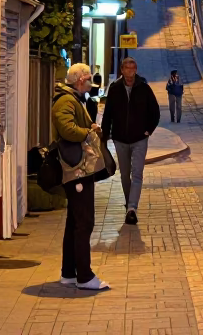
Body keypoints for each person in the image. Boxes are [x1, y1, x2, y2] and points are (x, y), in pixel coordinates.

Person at [52, 62, 109, 290]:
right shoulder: (66, 100)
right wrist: (89, 131)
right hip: (76, 169)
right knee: (84, 222)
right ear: (79, 80)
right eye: (87, 81)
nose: (89, 85)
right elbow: (66, 129)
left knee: (75, 221)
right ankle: (85, 276)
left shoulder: (72, 99)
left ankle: (69, 273)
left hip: (77, 167)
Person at [101, 57, 160, 226]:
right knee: (124, 175)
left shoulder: (144, 88)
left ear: (136, 70)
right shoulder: (115, 89)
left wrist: (148, 130)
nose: (130, 72)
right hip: (120, 139)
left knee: (137, 174)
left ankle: (132, 208)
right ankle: (129, 205)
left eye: (133, 68)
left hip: (139, 139)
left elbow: (155, 112)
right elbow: (108, 114)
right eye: (127, 69)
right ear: (122, 70)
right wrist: (105, 136)